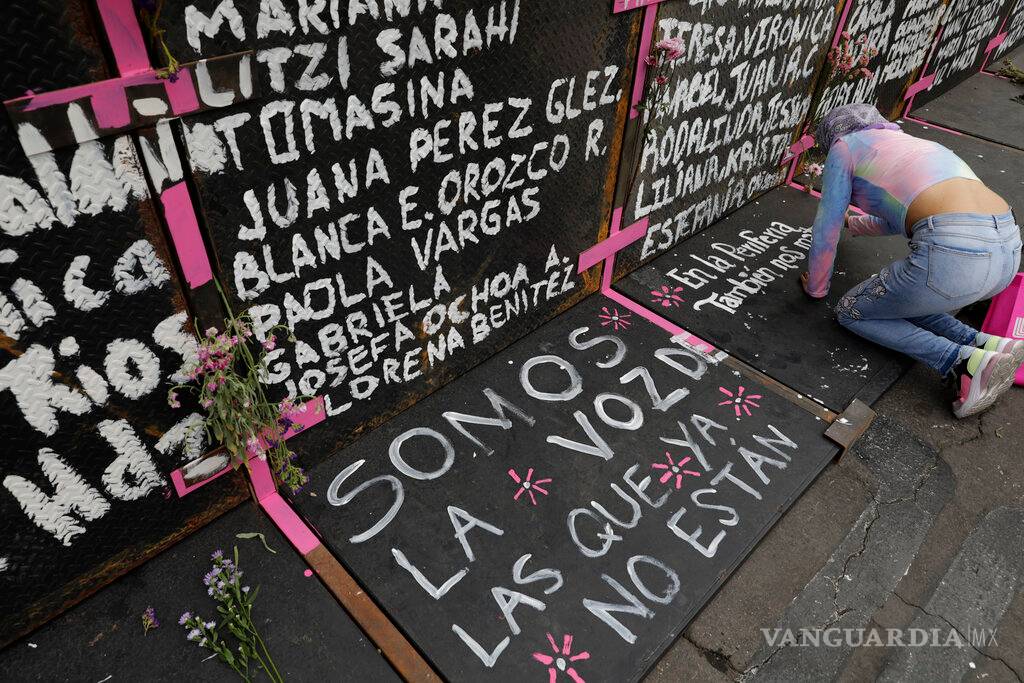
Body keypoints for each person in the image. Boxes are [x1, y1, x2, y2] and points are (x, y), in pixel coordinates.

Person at [801, 103, 1023, 418]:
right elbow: (899, 215)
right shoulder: (913, 144)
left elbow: (826, 228)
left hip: (954, 258)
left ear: (832, 135)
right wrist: (858, 224)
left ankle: (961, 362)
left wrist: (816, 287)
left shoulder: (844, 148)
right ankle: (989, 346)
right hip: (1008, 250)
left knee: (853, 310)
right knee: (902, 301)